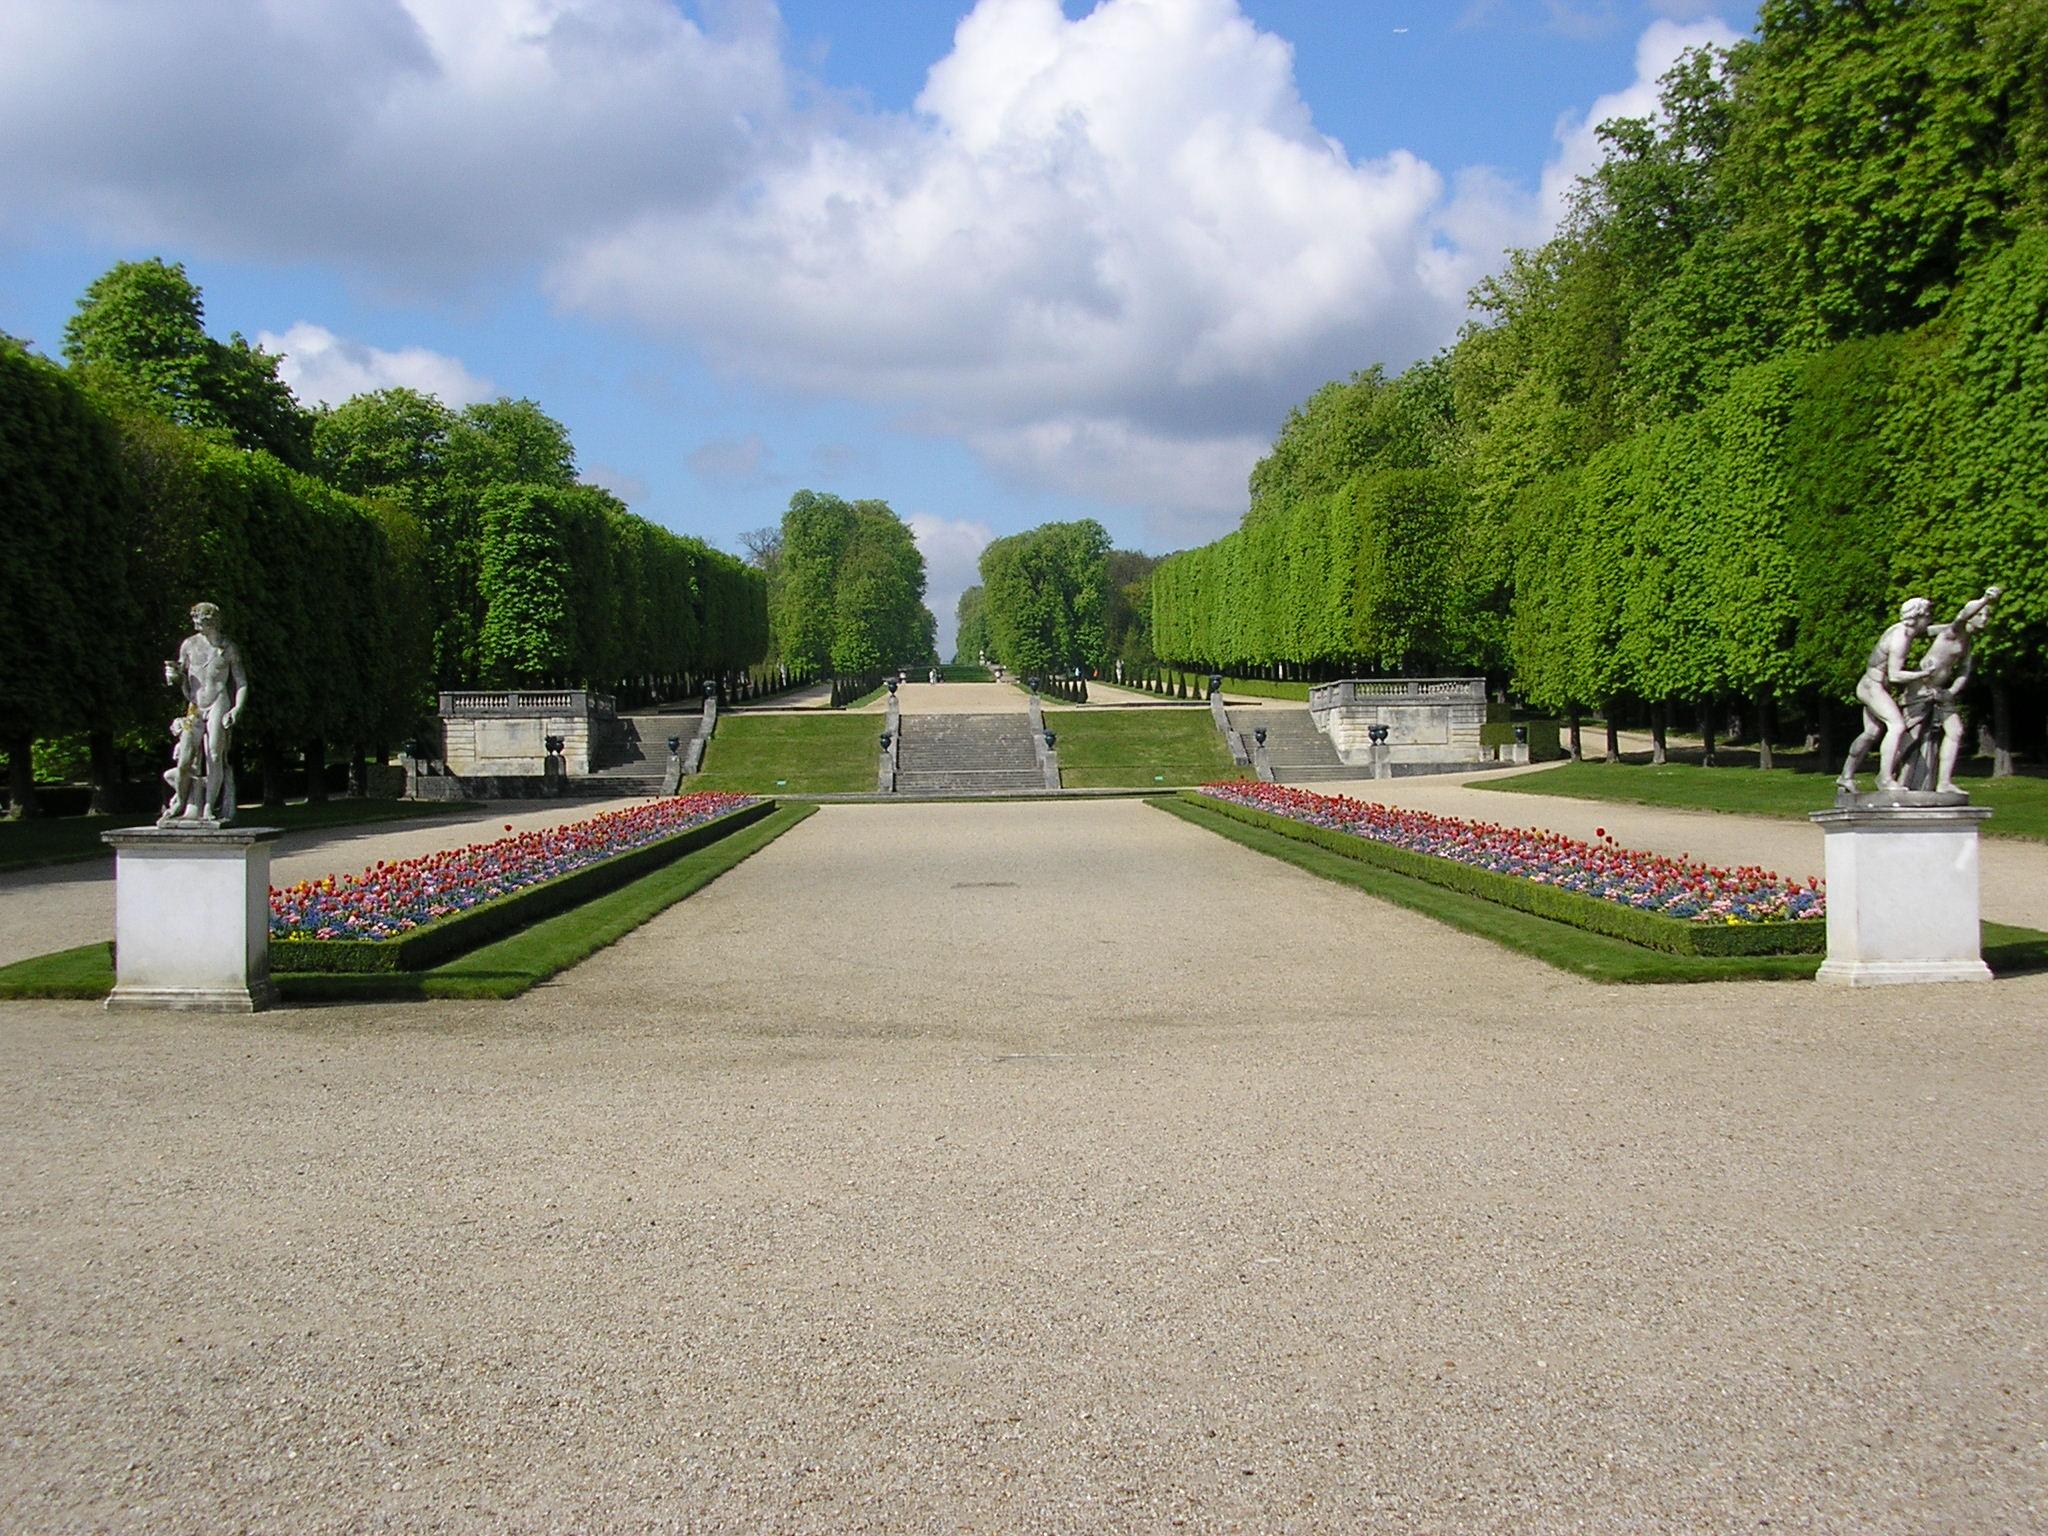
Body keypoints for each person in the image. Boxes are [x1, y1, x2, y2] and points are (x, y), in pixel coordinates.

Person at [1897, 586, 2001, 794]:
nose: (1984, 618)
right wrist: (1985, 599)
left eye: (1987, 615)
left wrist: (1952, 691)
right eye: (1980, 615)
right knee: (1912, 735)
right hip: (1919, 688)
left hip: (1939, 691)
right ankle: (1893, 779)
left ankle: (1944, 782)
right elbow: (1963, 613)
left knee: (1955, 731)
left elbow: (1964, 671)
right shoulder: (1952, 632)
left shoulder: (1967, 644)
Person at [161, 601, 249, 824]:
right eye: (195, 619)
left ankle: (209, 806)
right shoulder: (189, 645)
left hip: (219, 701)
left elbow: (241, 682)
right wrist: (173, 676)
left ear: (212, 620)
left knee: (214, 755)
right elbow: (181, 673)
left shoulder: (228, 648)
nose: (196, 623)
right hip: (195, 706)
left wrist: (236, 708)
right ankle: (180, 801)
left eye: (199, 619)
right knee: (184, 760)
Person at [1837, 597, 1933, 792]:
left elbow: (1930, 631)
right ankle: (1884, 778)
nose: (1930, 619)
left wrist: (1957, 625)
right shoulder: (1901, 638)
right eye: (1928, 615)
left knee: (1871, 733)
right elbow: (1896, 675)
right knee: (1896, 726)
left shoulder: (1901, 629)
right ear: (1917, 617)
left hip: (1870, 685)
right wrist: (1922, 674)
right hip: (1873, 687)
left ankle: (1846, 776)